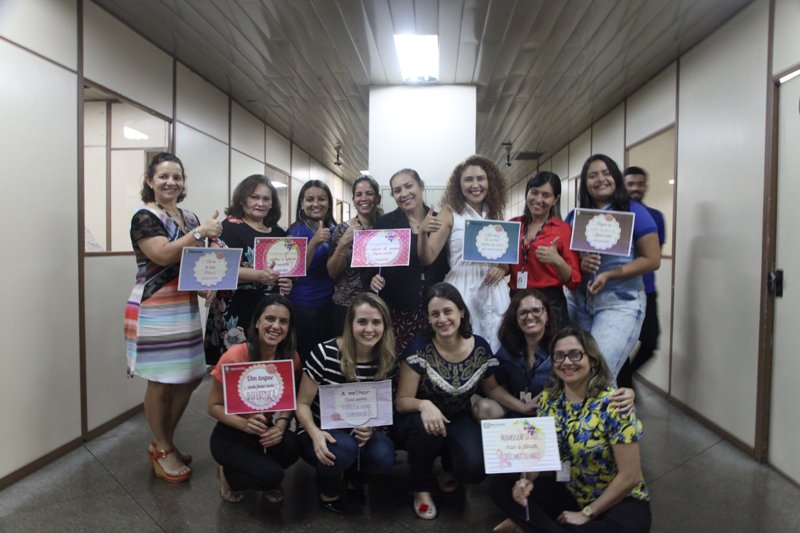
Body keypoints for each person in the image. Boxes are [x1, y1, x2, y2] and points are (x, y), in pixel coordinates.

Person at [394, 282, 535, 520]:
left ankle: (448, 469)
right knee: (428, 431)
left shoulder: (479, 346)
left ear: (461, 312)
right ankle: (421, 487)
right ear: (428, 318)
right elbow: (402, 401)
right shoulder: (419, 348)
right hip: (417, 421)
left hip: (458, 417)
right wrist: (424, 405)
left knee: (476, 467)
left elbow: (492, 389)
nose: (442, 319)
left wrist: (522, 406)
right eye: (435, 314)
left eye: (447, 311)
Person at [490, 327, 651, 533]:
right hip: (572, 492)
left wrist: (587, 513)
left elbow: (630, 476)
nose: (566, 362)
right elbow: (541, 455)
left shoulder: (615, 403)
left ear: (592, 360)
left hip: (619, 500)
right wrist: (526, 481)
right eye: (559, 356)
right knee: (502, 485)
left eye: (575, 354)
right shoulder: (549, 399)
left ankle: (531, 525)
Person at [124, 152, 222, 483]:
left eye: (177, 177)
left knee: (191, 376)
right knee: (161, 380)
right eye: (163, 176)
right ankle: (164, 447)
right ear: (149, 181)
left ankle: (162, 440)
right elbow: (163, 254)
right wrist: (201, 232)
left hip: (184, 305)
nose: (171, 182)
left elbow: (192, 263)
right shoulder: (144, 216)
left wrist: (207, 287)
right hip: (156, 306)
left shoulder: (189, 216)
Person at [295, 292, 397, 514]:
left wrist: (372, 428)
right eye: (362, 321)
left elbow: (382, 406)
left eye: (376, 322)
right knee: (342, 449)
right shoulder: (325, 353)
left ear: (385, 325)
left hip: (359, 430)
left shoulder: (387, 359)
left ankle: (354, 480)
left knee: (384, 455)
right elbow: (301, 404)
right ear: (350, 324)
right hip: (319, 429)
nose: (369, 329)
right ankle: (326, 488)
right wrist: (315, 433)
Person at [565, 154, 661, 380]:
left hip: (619, 302)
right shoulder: (576, 216)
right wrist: (580, 262)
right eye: (593, 175)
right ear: (585, 183)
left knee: (598, 373)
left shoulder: (634, 211)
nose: (600, 179)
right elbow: (567, 259)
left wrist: (609, 274)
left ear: (616, 177)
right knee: (574, 372)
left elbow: (652, 259)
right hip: (578, 303)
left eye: (606, 173)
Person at [474, 288, 634, 421]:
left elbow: (593, 377)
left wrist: (628, 393)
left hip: (556, 411)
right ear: (516, 319)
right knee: (484, 408)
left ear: (547, 317)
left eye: (536, 310)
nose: (529, 316)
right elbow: (492, 386)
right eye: (523, 313)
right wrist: (522, 406)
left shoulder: (563, 347)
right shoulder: (508, 351)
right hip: (519, 409)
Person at [207, 294, 302, 504]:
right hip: (232, 429)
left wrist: (281, 424)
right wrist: (244, 424)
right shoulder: (234, 357)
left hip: (263, 427)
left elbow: (290, 398)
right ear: (257, 322)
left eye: (283, 321)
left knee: (293, 447)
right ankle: (227, 475)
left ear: (289, 327)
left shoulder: (291, 357)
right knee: (271, 476)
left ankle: (260, 469)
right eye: (270, 318)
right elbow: (213, 406)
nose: (276, 326)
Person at [417, 155, 510, 351]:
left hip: (494, 289)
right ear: (459, 185)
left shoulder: (495, 213)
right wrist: (423, 233)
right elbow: (427, 257)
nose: (475, 185)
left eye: (481, 178)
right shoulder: (449, 213)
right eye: (468, 179)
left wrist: (504, 268)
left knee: (497, 343)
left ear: (490, 182)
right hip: (462, 288)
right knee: (464, 345)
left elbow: (504, 258)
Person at [204, 175, 292, 366]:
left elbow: (285, 268)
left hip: (269, 311)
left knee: (265, 367)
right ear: (242, 199)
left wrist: (287, 281)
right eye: (254, 197)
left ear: (272, 203)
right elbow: (215, 269)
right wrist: (258, 275)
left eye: (266, 199)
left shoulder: (278, 232)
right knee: (235, 366)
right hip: (235, 308)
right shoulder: (226, 228)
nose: (260, 203)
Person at [366, 169, 449, 355]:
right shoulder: (385, 223)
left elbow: (448, 261)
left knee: (432, 357)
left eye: (409, 186)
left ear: (421, 186)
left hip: (434, 306)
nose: (404, 193)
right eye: (397, 190)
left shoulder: (439, 220)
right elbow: (371, 265)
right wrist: (372, 279)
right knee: (397, 358)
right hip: (398, 306)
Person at [507, 172, 581, 328]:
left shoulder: (563, 230)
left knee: (552, 344)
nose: (538, 199)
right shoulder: (513, 225)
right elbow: (507, 265)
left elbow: (574, 280)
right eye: (534, 192)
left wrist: (557, 261)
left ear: (555, 199)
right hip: (517, 299)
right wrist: (500, 266)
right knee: (515, 342)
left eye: (546, 195)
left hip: (549, 303)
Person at [617, 166, 667, 388]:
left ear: (645, 186)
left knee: (650, 341)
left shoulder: (655, 217)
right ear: (623, 186)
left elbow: (654, 254)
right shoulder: (614, 216)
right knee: (621, 345)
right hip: (619, 292)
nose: (635, 188)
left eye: (640, 184)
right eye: (631, 184)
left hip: (646, 289)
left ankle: (627, 378)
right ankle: (625, 388)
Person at [287, 180, 337, 360]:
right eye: (310, 199)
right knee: (307, 356)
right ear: (302, 203)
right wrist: (314, 242)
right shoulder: (295, 231)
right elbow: (293, 271)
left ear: (329, 203)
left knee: (328, 357)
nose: (316, 204)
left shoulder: (335, 229)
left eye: (321, 199)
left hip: (331, 304)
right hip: (305, 305)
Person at [327, 175, 382, 336]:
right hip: (346, 305)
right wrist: (344, 241)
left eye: (369, 193)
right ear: (353, 199)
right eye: (358, 194)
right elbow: (332, 272)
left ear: (378, 198)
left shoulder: (387, 227)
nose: (363, 198)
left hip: (378, 302)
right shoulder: (343, 229)